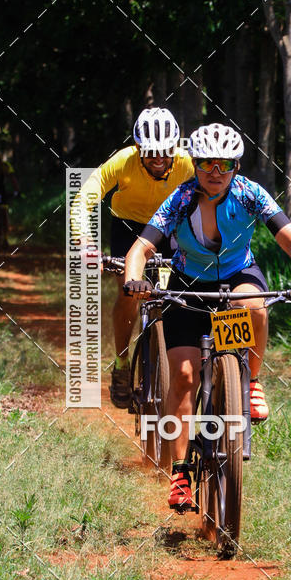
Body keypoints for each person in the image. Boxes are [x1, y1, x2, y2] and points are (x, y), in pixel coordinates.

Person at [123, 123, 291, 510]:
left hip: (237, 278)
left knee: (255, 304)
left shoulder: (249, 194)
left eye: (225, 164)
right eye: (206, 163)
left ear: (236, 165)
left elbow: (289, 238)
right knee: (182, 376)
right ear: (194, 164)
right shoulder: (180, 199)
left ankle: (252, 384)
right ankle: (180, 472)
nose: (216, 171)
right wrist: (133, 279)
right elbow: (142, 248)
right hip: (188, 286)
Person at [70, 108, 194, 407]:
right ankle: (123, 364)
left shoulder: (188, 163)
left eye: (165, 150)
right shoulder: (123, 160)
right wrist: (85, 242)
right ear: (138, 148)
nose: (158, 158)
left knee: (179, 294)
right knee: (128, 292)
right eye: (150, 152)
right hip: (129, 228)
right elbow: (83, 198)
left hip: (171, 228)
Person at [0, 150, 20, 249]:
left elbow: (12, 179)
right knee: (3, 212)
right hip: (1, 193)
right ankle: (5, 238)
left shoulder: (5, 166)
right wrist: (17, 191)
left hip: (0, 193)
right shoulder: (5, 166)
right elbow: (13, 179)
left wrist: (16, 190)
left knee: (3, 212)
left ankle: (5, 237)